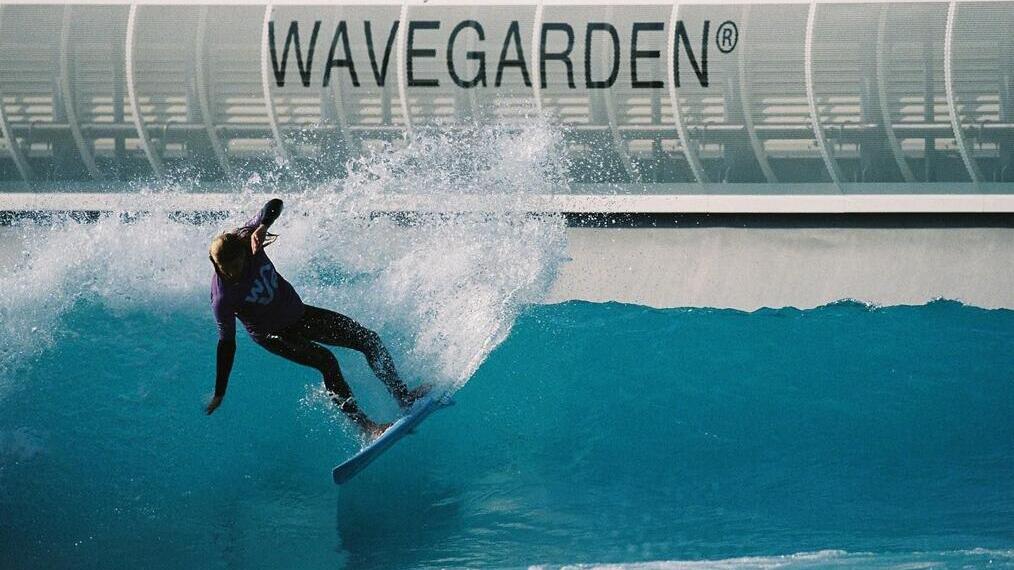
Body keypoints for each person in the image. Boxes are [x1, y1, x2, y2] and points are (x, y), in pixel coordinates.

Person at [206, 198, 427, 439]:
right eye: (223, 268)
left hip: (299, 314)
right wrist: (220, 391)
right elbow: (226, 343)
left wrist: (263, 225)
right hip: (275, 335)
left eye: (236, 265)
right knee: (326, 361)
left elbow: (275, 203)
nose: (231, 272)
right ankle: (366, 427)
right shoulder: (222, 298)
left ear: (242, 252)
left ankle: (404, 397)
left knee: (368, 339)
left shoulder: (247, 239)